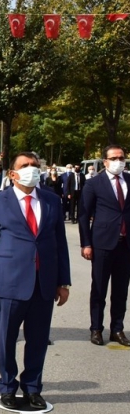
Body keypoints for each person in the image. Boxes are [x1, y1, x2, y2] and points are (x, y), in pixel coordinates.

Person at [0, 152, 70, 411]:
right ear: (12, 174)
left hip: (44, 284)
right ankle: (8, 386)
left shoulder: (52, 201)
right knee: (7, 339)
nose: (32, 169)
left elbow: (60, 244)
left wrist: (63, 282)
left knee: (39, 339)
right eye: (25, 166)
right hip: (10, 283)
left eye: (35, 165)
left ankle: (32, 388)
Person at [79, 145, 130, 347]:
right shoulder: (94, 184)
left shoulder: (128, 180)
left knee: (121, 290)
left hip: (125, 245)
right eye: (114, 158)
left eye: (122, 157)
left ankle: (117, 329)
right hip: (102, 243)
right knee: (99, 289)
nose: (119, 161)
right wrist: (86, 243)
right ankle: (96, 329)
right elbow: (83, 215)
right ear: (105, 161)